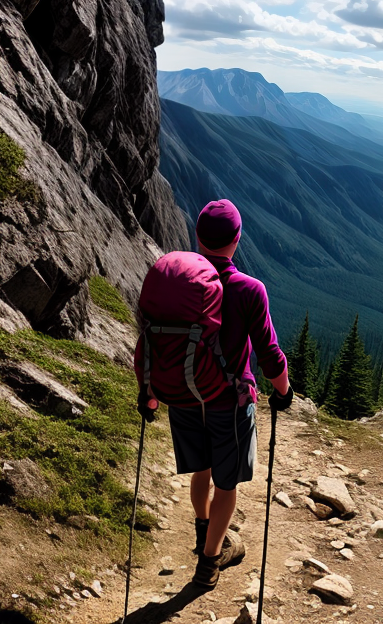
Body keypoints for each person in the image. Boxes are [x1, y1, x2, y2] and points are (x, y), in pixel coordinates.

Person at [136, 199, 294, 590]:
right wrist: (284, 392)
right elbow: (269, 355)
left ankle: (202, 530)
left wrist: (150, 394)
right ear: (236, 239)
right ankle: (211, 559)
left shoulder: (179, 285)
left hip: (184, 396)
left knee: (201, 471)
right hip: (229, 403)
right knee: (227, 485)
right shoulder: (248, 289)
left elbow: (151, 341)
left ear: (198, 237)